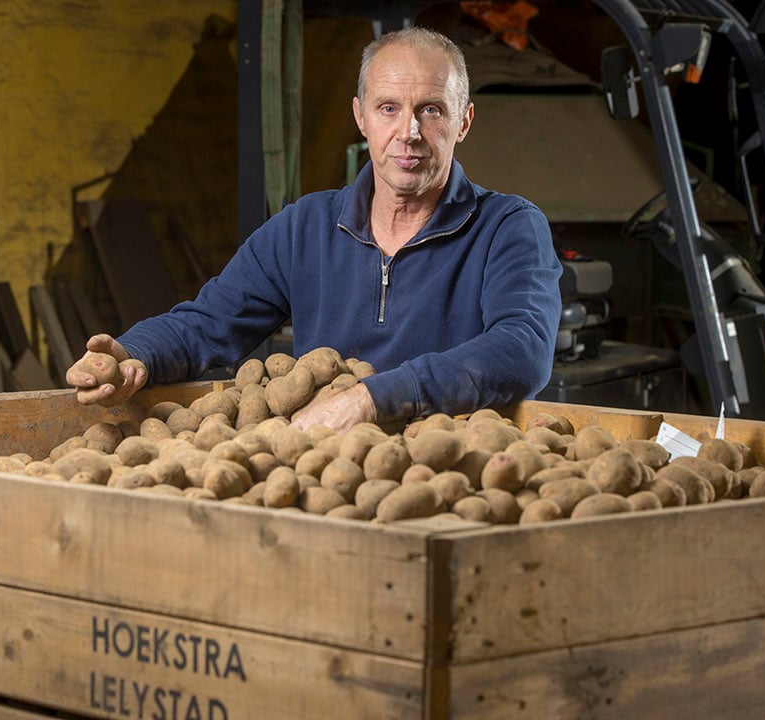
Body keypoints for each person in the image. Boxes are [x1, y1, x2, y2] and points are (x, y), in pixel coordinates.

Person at [66, 26, 561, 432]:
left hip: (445, 466)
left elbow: (522, 350)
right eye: (389, 108)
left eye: (431, 110)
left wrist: (372, 398)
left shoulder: (509, 227)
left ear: (464, 122)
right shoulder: (304, 227)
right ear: (360, 117)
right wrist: (133, 355)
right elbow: (209, 323)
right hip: (321, 466)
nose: (408, 132)